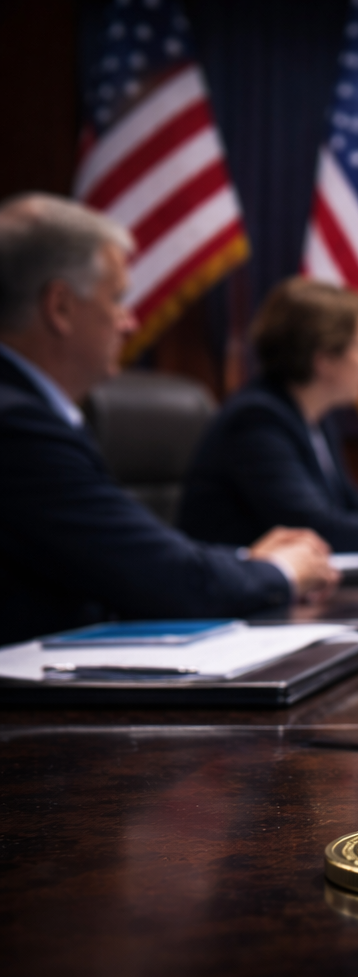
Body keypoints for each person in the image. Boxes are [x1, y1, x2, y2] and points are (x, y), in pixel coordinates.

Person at [0, 193, 334, 645]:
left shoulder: (35, 411)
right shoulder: (17, 427)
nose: (130, 323)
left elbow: (129, 557)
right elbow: (163, 580)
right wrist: (279, 572)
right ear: (60, 307)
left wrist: (244, 563)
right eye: (117, 299)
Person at [178, 278, 358, 552]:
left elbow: (352, 506)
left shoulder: (314, 416)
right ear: (323, 360)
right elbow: (315, 528)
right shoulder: (256, 421)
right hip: (234, 576)